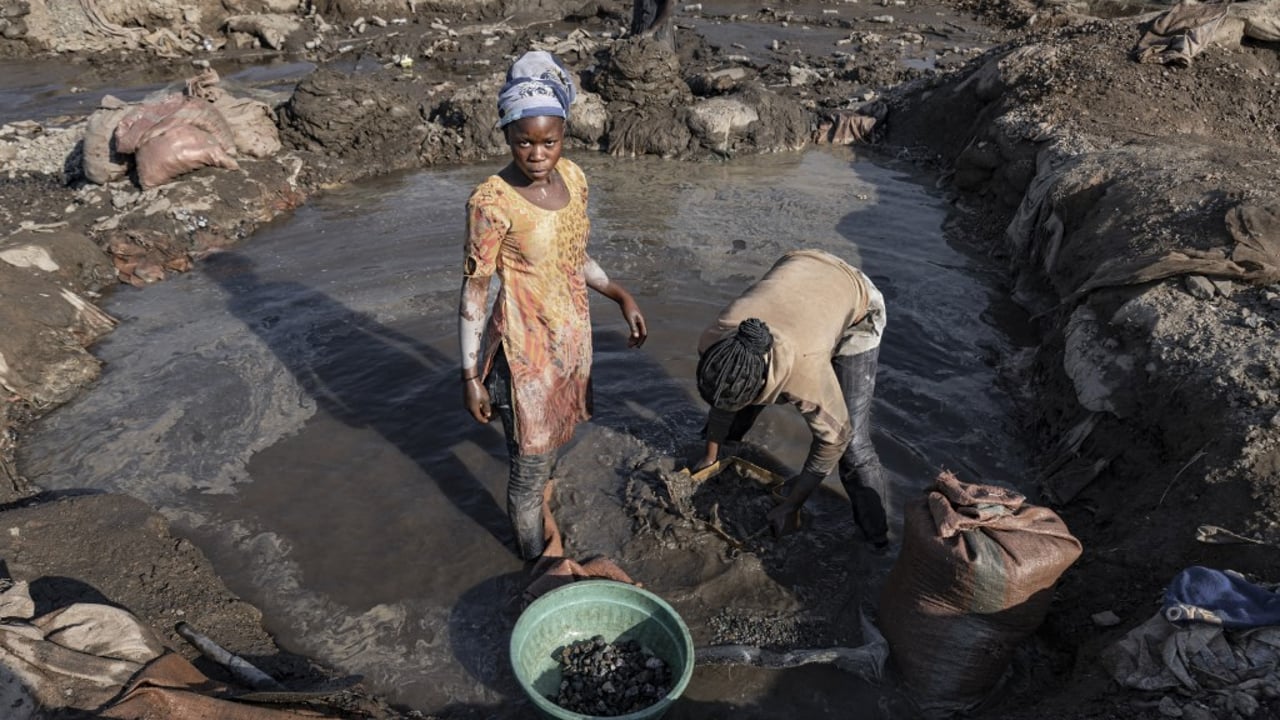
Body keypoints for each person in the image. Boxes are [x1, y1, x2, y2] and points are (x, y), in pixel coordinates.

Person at [458, 51, 648, 561]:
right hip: (523, 357)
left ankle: (543, 505)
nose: (538, 153)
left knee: (546, 452)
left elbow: (573, 254)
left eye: (549, 141)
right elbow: (475, 291)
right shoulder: (492, 202)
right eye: (524, 141)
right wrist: (471, 375)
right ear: (506, 136)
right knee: (525, 474)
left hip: (569, 344)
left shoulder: (576, 180)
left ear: (564, 134)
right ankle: (533, 565)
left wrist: (618, 293)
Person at [692, 249, 890, 550]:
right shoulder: (716, 339)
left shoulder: (805, 373)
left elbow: (832, 441)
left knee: (854, 448)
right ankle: (723, 453)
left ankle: (876, 540)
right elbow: (723, 398)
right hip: (800, 265)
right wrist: (710, 457)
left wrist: (791, 506)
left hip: (855, 302)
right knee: (733, 399)